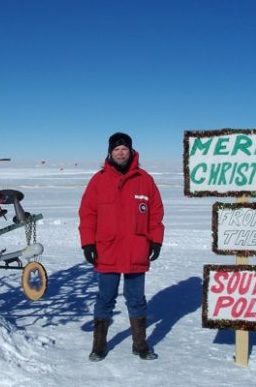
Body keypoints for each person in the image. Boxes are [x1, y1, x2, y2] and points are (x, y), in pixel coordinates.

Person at [78, 132, 165, 361]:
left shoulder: (145, 180)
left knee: (136, 299)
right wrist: (88, 243)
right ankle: (99, 345)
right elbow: (88, 213)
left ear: (131, 151)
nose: (120, 152)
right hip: (107, 249)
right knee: (105, 299)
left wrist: (156, 239)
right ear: (110, 152)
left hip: (137, 248)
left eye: (124, 148)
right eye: (116, 149)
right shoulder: (98, 180)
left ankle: (140, 344)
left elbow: (155, 213)